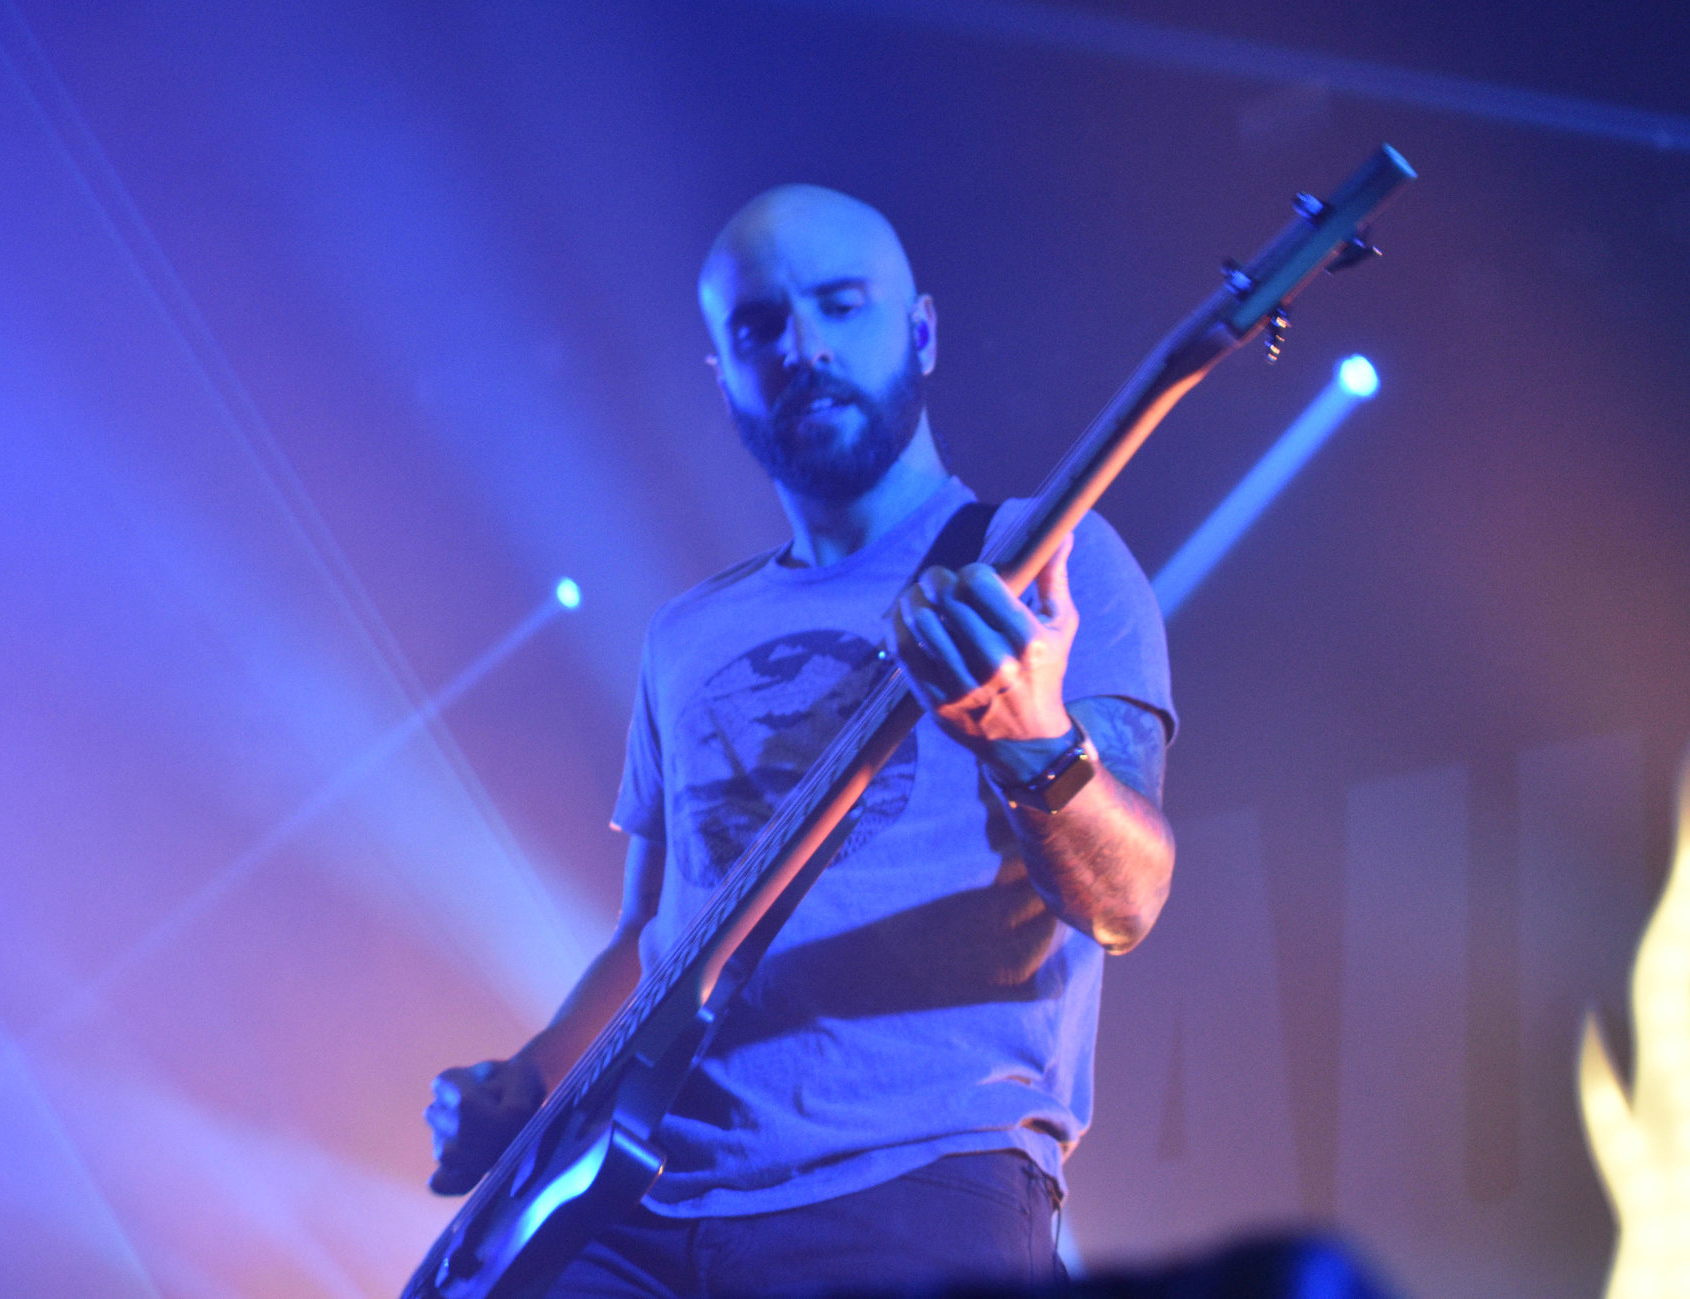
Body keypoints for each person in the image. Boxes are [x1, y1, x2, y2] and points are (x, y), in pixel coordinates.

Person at [425, 184, 1177, 1293]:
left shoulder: (1043, 554)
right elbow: (651, 938)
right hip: (635, 1207)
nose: (803, 347)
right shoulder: (685, 634)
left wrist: (1033, 741)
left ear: (919, 329)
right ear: (721, 372)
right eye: (760, 326)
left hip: (912, 1187)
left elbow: (1128, 897)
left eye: (839, 305)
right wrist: (526, 1084)